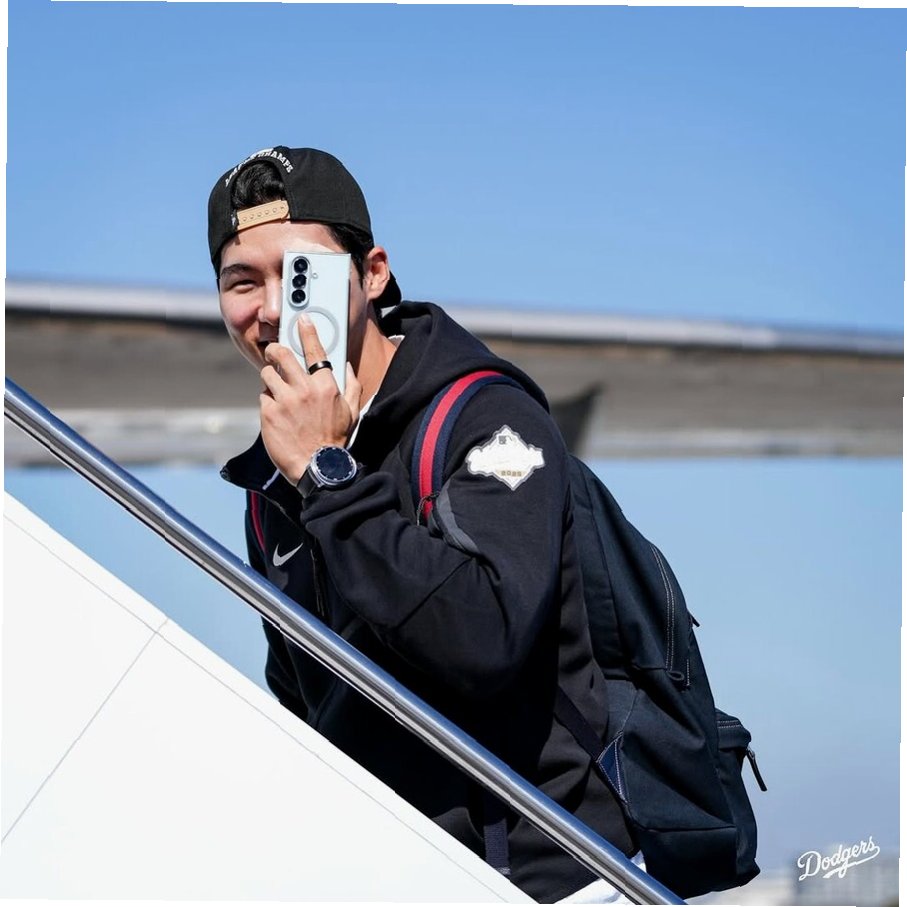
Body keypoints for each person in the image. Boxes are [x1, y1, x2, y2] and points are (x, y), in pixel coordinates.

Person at [208, 146, 640, 902]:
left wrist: (329, 477)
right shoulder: (272, 477)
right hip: (393, 878)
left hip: (551, 880)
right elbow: (304, 697)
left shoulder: (493, 421)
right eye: (242, 282)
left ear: (372, 273)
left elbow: (485, 639)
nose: (270, 308)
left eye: (300, 272)